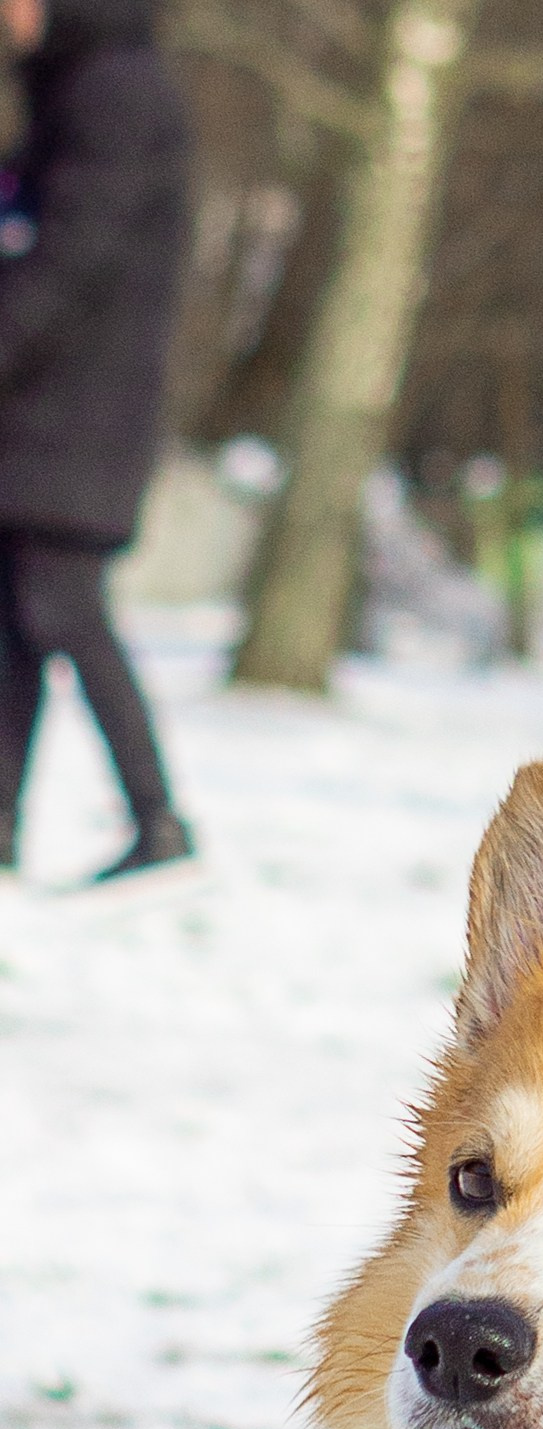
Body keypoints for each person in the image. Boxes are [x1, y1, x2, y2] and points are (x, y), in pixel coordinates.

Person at [0, 0, 194, 885]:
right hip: (48, 415)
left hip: (75, 417)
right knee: (19, 623)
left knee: (63, 611)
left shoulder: (115, 92)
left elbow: (70, 262)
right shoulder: (79, 86)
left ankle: (158, 823)